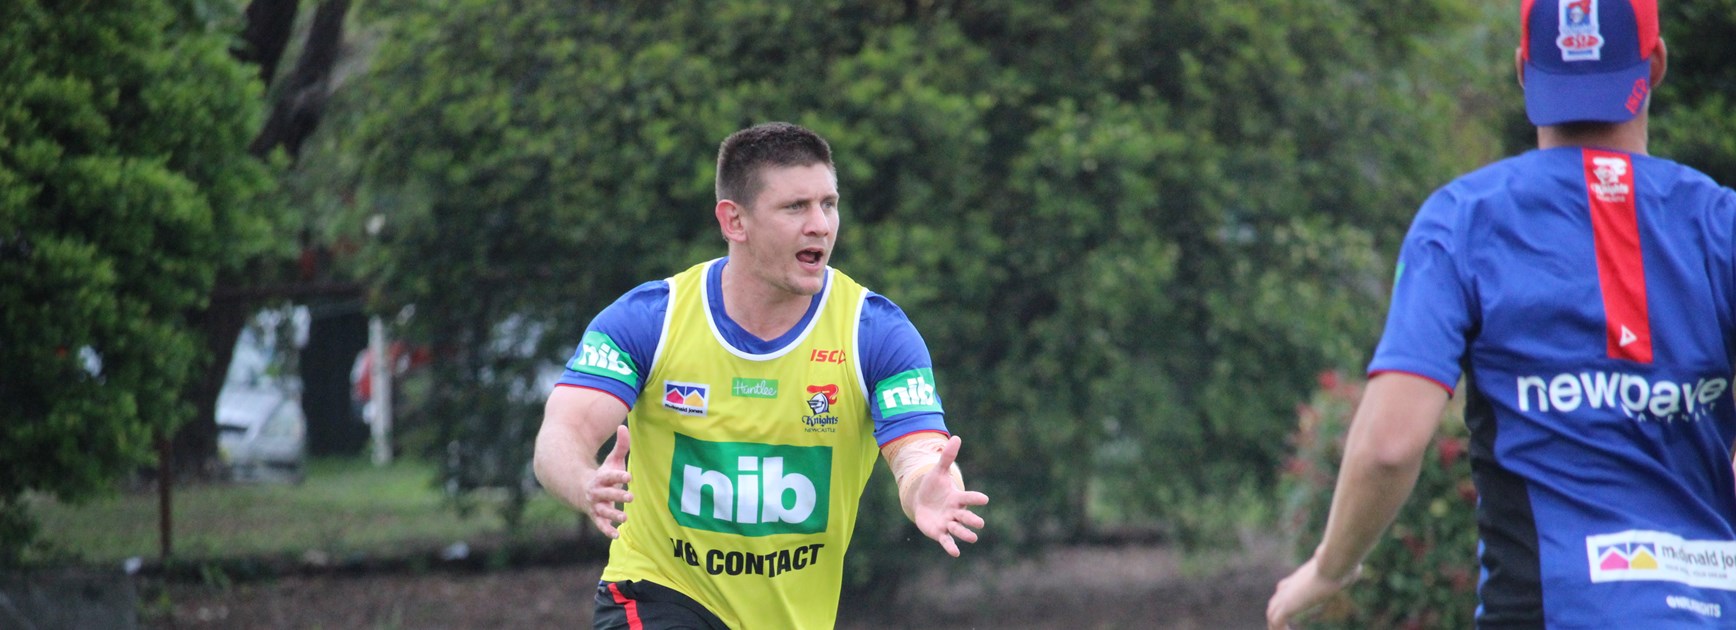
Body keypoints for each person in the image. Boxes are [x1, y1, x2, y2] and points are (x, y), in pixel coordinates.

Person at [1267, 1, 1736, 627]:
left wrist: (1330, 567)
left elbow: (1389, 444)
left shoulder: (1463, 221)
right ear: (1653, 65)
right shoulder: (1721, 226)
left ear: (1523, 68)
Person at [534, 122, 990, 629]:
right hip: (657, 592)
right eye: (796, 207)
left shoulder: (874, 333)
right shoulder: (650, 319)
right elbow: (564, 432)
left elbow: (919, 450)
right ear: (735, 221)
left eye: (829, 204)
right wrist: (585, 481)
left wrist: (924, 484)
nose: (820, 224)